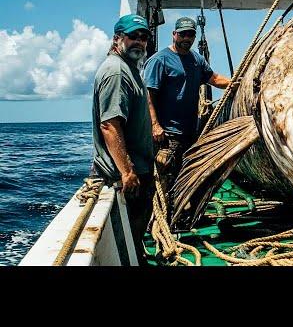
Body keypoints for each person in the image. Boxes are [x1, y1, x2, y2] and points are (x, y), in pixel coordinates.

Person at [91, 14, 155, 266]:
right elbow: (110, 125)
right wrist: (127, 173)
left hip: (136, 171)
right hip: (126, 177)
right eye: (133, 36)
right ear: (118, 38)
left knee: (133, 236)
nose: (139, 42)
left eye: (144, 37)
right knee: (126, 237)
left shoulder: (129, 68)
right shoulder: (117, 72)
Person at [143, 17, 231, 191]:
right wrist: (155, 125)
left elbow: (215, 79)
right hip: (167, 135)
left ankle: (184, 213)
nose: (186, 39)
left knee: (186, 179)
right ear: (174, 34)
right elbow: (148, 95)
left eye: (190, 34)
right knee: (168, 182)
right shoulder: (159, 60)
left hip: (191, 133)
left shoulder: (196, 60)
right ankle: (169, 216)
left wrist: (238, 82)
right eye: (182, 34)